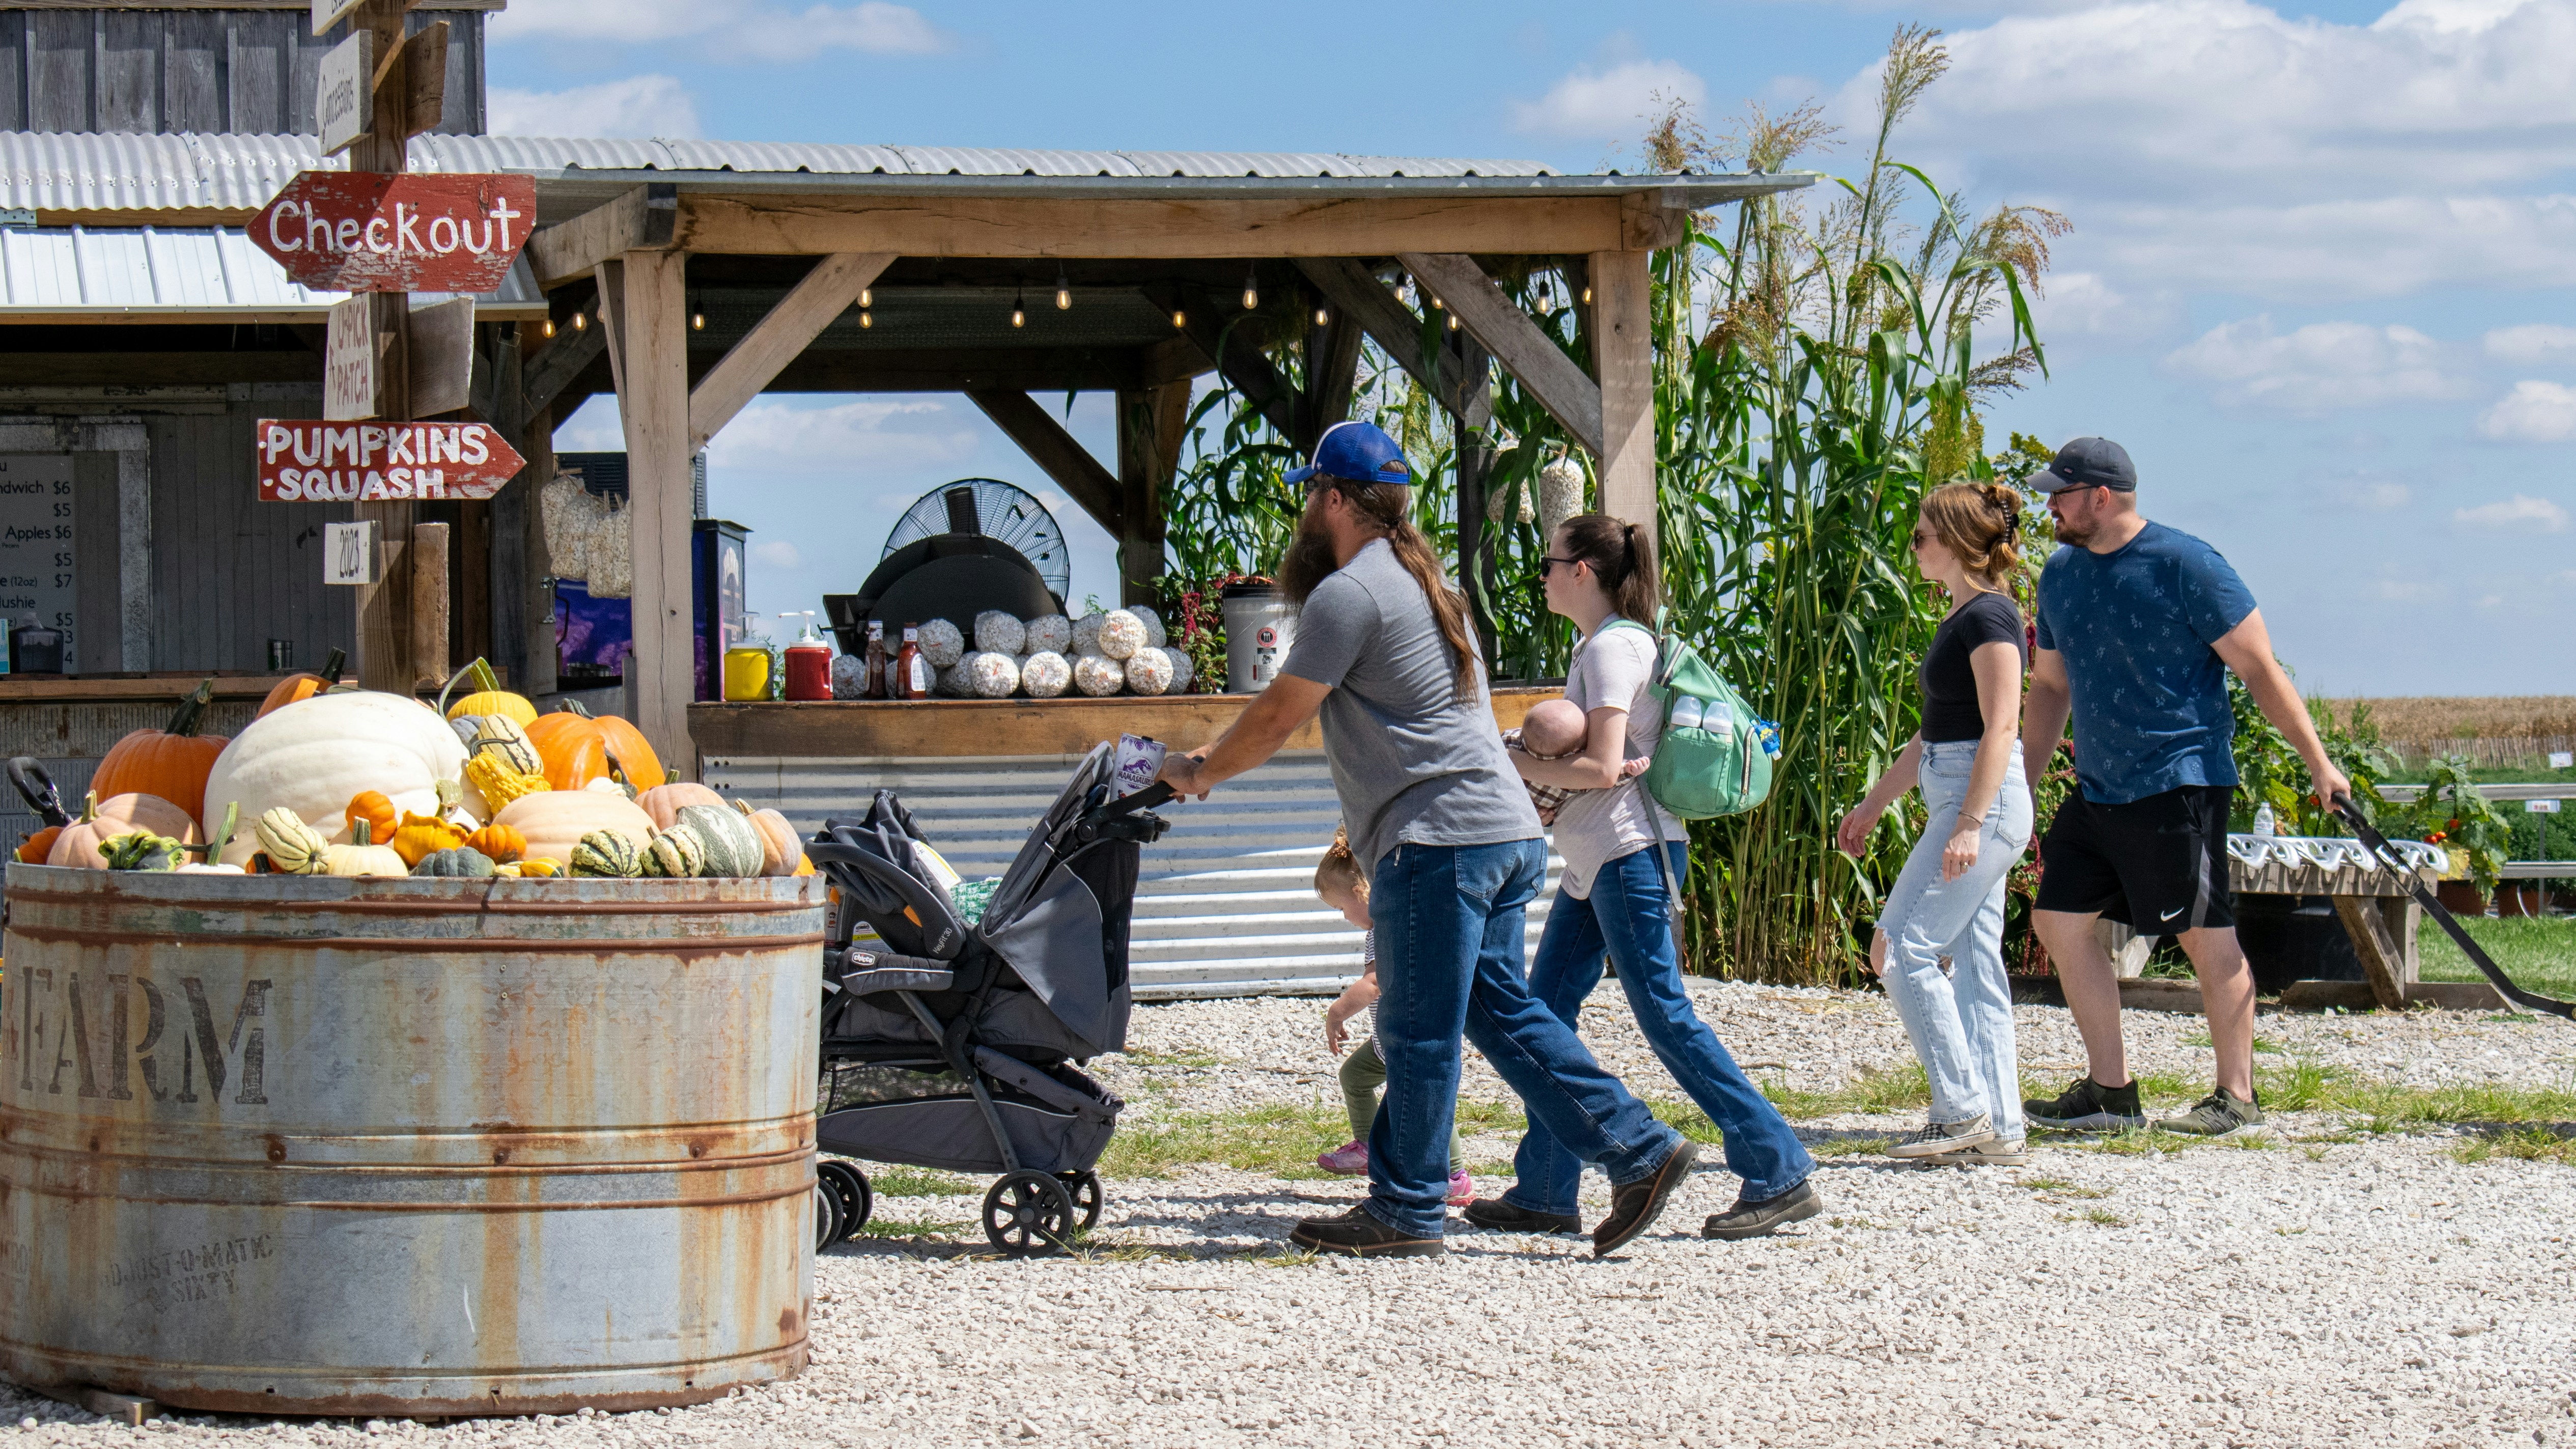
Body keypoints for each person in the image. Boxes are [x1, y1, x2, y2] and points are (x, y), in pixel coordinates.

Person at [1156, 420, 1699, 1259]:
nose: (1307, 510)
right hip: (1500, 832)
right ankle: (1640, 1149)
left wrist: (1199, 771)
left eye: (1312, 493)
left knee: (1415, 1028)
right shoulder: (1425, 581)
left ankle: (1408, 1206)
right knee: (1498, 1013)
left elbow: (1277, 714)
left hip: (1440, 841)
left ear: (1336, 500)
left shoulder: (1351, 592)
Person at [1468, 514, 1825, 1242]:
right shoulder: (1604, 644)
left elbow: (1602, 767)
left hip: (1630, 855)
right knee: (1546, 1011)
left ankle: (1778, 1165)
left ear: (1582, 571)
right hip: (1599, 859)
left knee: (1664, 1014)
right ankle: (1545, 1188)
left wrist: (1507, 762)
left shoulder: (1613, 647)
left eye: (1549, 563)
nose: (1542, 576)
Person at [2019, 438, 2351, 1138]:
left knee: (2204, 934)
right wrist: (2021, 783)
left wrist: (2319, 764)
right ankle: (2111, 1092)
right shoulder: (2060, 574)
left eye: (2060, 493)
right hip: (2098, 787)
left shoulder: (2186, 564)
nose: (2049, 506)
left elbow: (2259, 669)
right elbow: (2049, 686)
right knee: (2058, 922)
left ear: (2101, 496)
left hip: (2178, 782)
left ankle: (2236, 1096)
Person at [1838, 483, 2036, 1166]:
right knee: (1975, 964)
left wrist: (1970, 822)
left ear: (1953, 541)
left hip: (1980, 803)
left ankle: (1960, 1109)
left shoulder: (1990, 617)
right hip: (1959, 794)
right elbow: (1933, 734)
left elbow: (2001, 727)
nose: (1913, 546)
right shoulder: (1963, 616)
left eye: (1921, 535)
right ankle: (1999, 1127)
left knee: (1899, 947)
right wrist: (1874, 804)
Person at [1313, 832, 1473, 1206]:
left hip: (1410, 1036)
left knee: (1430, 1101)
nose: (1344, 917)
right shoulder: (1389, 922)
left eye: (1341, 908)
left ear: (1361, 892)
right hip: (1389, 1038)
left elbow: (1375, 983)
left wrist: (1337, 1012)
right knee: (1355, 1077)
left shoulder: (1385, 928)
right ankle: (1368, 1145)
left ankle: (1454, 1176)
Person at [1504, 698, 1648, 824]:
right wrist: (1629, 769)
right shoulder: (1568, 778)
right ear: (1576, 750)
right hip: (1529, 818)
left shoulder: (1510, 740)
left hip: (1510, 813)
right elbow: (1605, 774)